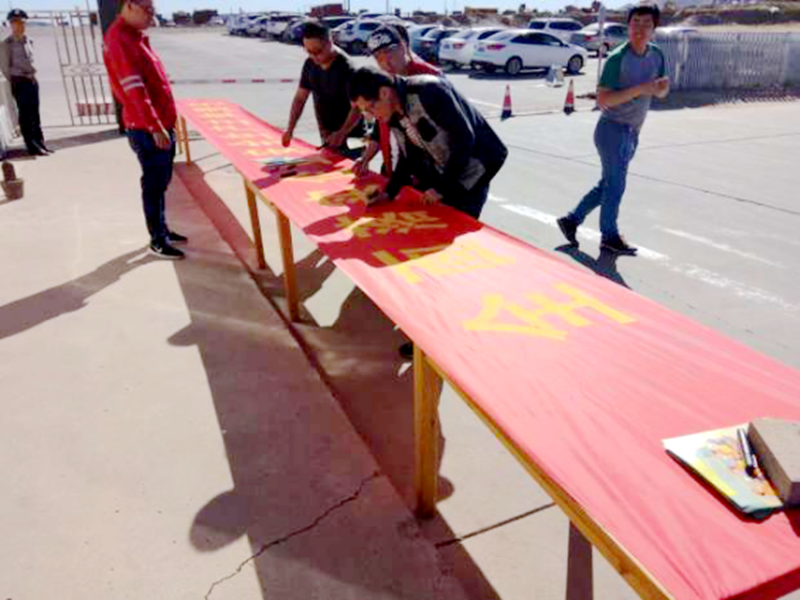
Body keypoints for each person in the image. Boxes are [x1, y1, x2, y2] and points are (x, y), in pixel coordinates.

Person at [556, 2, 669, 256]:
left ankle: (571, 220)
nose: (640, 28)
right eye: (635, 22)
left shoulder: (657, 55)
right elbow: (604, 99)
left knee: (607, 184)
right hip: (612, 130)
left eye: (646, 23)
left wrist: (659, 90)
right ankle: (609, 236)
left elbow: (662, 89)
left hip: (632, 132)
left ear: (654, 28)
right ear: (628, 26)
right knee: (615, 186)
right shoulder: (618, 58)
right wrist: (642, 89)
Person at [348, 66, 507, 220]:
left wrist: (441, 188)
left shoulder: (428, 91)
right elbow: (408, 154)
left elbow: (464, 140)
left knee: (458, 222)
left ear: (384, 92)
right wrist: (389, 192)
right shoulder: (393, 113)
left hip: (476, 164)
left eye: (371, 107)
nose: (372, 115)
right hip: (447, 170)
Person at [103, 0, 187, 259]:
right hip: (147, 128)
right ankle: (157, 240)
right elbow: (134, 90)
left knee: (161, 181)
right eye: (148, 10)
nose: (152, 16)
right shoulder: (119, 39)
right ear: (130, 5)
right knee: (153, 184)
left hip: (158, 124)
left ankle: (162, 228)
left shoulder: (134, 37)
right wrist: (155, 126)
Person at [353, 25, 441, 178]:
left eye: (389, 52)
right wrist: (366, 157)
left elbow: (453, 139)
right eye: (378, 57)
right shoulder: (384, 80)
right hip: (393, 169)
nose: (386, 63)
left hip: (427, 178)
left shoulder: (431, 80)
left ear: (404, 47)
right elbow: (380, 127)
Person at [282, 20, 363, 159]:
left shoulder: (348, 69)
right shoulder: (310, 64)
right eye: (308, 51)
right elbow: (300, 98)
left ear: (330, 42)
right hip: (327, 136)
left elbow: (357, 108)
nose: (314, 57)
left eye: (318, 52)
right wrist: (290, 129)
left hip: (352, 139)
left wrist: (342, 133)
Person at [0, 9, 50, 156]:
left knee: (35, 113)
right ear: (10, 24)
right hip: (19, 81)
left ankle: (40, 143)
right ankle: (32, 146)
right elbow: (5, 67)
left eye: (22, 22)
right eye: (15, 22)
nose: (19, 25)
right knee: (25, 115)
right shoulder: (6, 44)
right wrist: (16, 81)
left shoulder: (29, 41)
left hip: (31, 80)